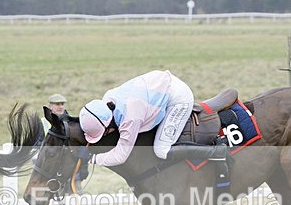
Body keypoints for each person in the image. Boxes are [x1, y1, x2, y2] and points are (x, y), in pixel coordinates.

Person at [77, 70, 225, 167]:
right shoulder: (108, 98)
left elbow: (121, 156)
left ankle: (215, 152)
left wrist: (92, 159)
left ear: (108, 125)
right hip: (161, 85)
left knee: (161, 150)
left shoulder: (131, 118)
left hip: (179, 98)